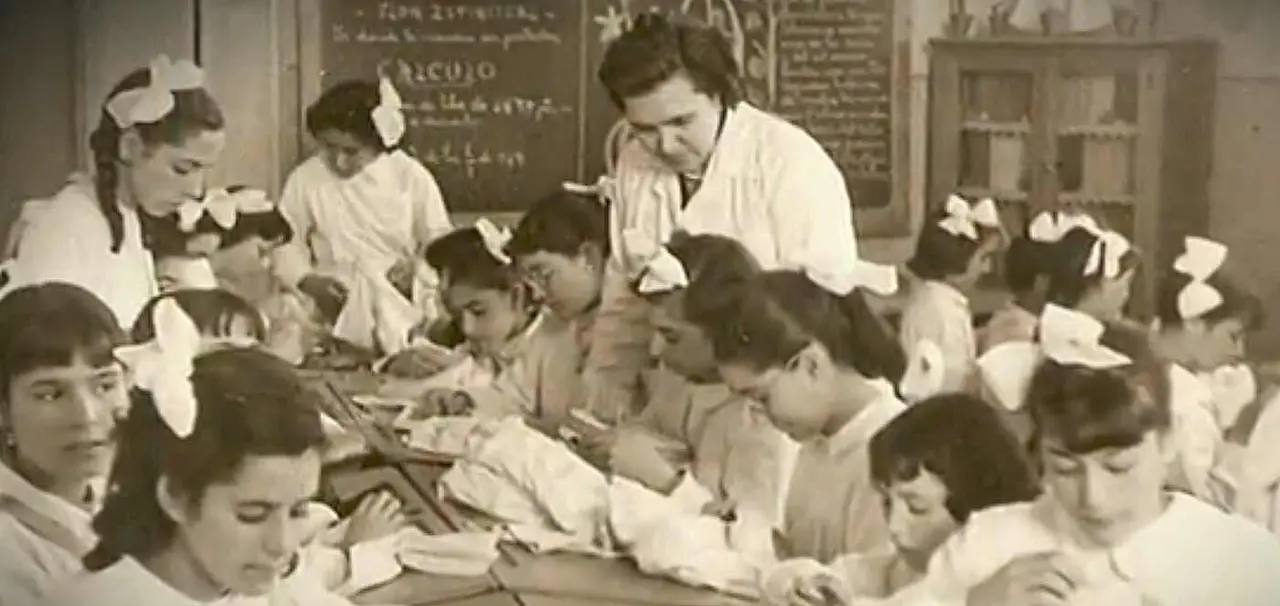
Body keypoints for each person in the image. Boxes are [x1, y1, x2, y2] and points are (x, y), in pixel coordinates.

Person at [888, 305, 1280, 606]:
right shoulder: (989, 543)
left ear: (1165, 443)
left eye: (1118, 467)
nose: (1094, 497)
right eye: (1065, 467)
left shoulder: (1242, 560)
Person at [586, 12, 864, 423]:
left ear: (719, 94)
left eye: (681, 122)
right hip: (679, 390)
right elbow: (625, 291)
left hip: (770, 401)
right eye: (644, 127)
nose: (665, 144)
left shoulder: (789, 162)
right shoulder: (634, 161)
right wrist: (607, 389)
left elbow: (820, 309)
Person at [43, 311, 351, 605]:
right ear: (176, 495)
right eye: (252, 515)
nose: (282, 544)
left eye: (297, 511)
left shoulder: (255, 584)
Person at [693, 255, 906, 563]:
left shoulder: (890, 457)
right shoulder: (817, 442)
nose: (755, 414)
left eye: (761, 397)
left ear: (810, 366)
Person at [0, 55, 226, 328]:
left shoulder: (128, 220)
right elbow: (44, 346)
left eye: (204, 170)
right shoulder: (65, 227)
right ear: (129, 148)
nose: (196, 189)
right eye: (182, 169)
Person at [763, 393, 1039, 604]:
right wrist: (806, 582)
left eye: (916, 508)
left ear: (975, 502)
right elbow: (847, 572)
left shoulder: (1012, 578)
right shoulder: (905, 566)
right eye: (886, 503)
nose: (894, 526)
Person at [273, 77, 451, 325]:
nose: (339, 161)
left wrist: (415, 270)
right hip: (330, 296)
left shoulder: (409, 177)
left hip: (395, 296)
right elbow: (285, 240)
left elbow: (438, 242)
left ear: (377, 146)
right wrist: (306, 279)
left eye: (352, 151)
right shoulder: (306, 179)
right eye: (329, 147)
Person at [0, 283, 127, 605]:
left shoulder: (124, 494)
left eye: (105, 385)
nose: (86, 415)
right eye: (50, 394)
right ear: (3, 410)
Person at [899, 195, 1004, 393]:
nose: (987, 268)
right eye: (983, 259)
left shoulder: (934, 300)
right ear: (955, 261)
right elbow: (955, 380)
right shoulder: (943, 311)